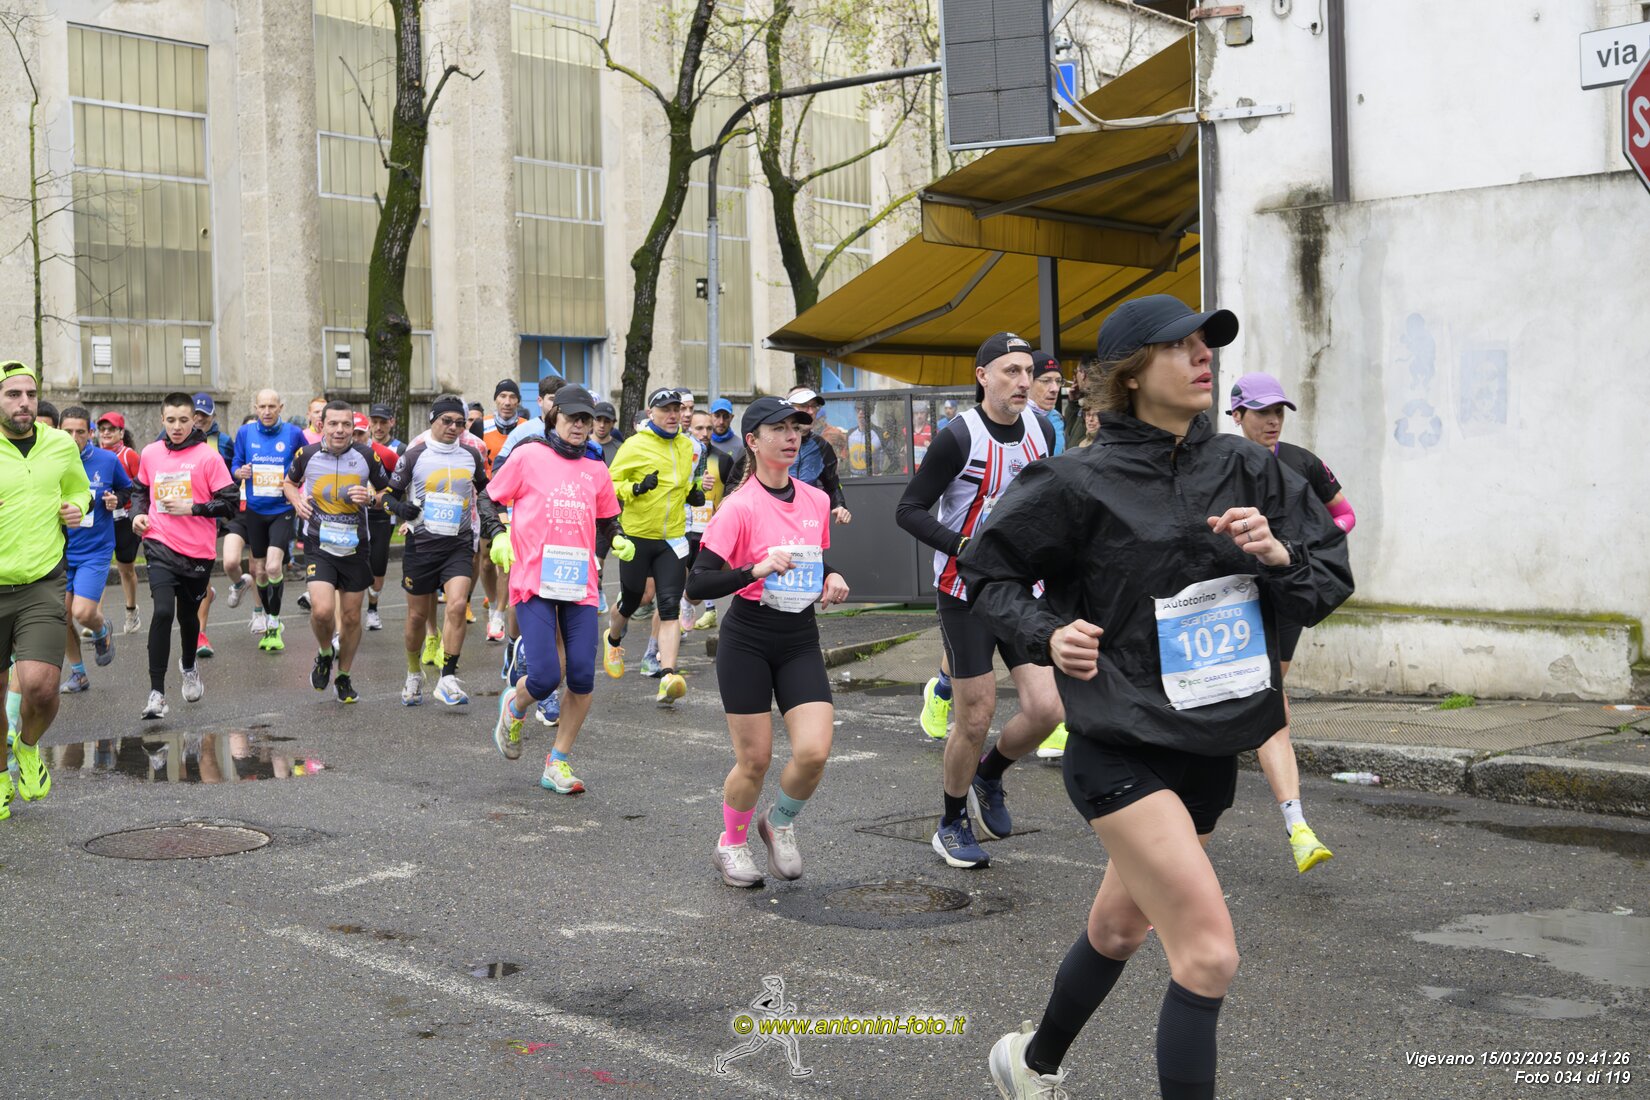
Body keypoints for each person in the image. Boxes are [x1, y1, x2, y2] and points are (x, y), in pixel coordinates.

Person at [960, 295, 1352, 1100]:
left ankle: (1029, 1064)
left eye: (1208, 343)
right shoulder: (1075, 479)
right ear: (1132, 373)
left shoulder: (1251, 469)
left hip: (1209, 746)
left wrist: (1277, 557)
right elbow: (987, 574)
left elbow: (1327, 580)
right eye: (1181, 346)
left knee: (1118, 927)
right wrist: (1046, 634)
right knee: (1208, 955)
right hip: (1118, 746)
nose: (1204, 356)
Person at [895, 332, 1062, 870]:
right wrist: (964, 546)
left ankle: (989, 775)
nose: (1023, 381)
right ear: (982, 376)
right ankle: (950, 823)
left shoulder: (1042, 430)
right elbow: (909, 510)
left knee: (1047, 709)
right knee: (975, 715)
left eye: (1028, 371)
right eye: (1011, 371)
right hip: (964, 591)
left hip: (1023, 588)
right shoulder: (957, 437)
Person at [686, 397, 851, 887]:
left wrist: (833, 574)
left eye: (795, 428)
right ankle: (731, 843)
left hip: (799, 637)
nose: (790, 436)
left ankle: (778, 823)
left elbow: (814, 557)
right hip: (748, 640)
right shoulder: (738, 507)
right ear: (753, 442)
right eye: (777, 429)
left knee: (814, 752)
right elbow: (697, 584)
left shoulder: (815, 499)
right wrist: (752, 570)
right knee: (755, 759)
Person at [1229, 371, 1356, 873]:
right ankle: (1295, 823)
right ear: (1237, 414)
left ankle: (1296, 823)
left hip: (1285, 595)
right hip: (1232, 600)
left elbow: (1344, 516)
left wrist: (1301, 545)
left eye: (1279, 411)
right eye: (1262, 412)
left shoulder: (1303, 463)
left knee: (1268, 698)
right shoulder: (1219, 464)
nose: (1273, 420)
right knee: (1260, 701)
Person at [479, 385, 631, 786]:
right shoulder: (529, 455)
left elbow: (606, 518)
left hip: (579, 584)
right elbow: (488, 498)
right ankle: (515, 706)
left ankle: (557, 761)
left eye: (586, 419)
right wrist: (497, 534)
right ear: (554, 417)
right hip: (534, 581)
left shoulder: (595, 468)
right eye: (572, 417)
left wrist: (617, 538)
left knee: (581, 676)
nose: (579, 425)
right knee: (545, 676)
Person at [0, 361, 92, 818]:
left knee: (41, 688)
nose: (24, 403)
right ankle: (1, 775)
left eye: (30, 394)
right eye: (13, 394)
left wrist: (76, 506)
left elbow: (80, 491)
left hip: (41, 580)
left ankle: (28, 745)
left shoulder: (58, 444)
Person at [130, 391, 237, 719]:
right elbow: (140, 490)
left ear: (195, 421)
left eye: (184, 420)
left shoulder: (208, 457)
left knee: (188, 618)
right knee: (163, 612)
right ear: (162, 420)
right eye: (171, 420)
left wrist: (193, 508)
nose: (177, 427)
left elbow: (230, 504)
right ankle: (157, 694)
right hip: (159, 543)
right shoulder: (151, 453)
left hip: (197, 553)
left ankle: (188, 666)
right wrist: (138, 514)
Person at [383, 395, 488, 707]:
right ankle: (413, 672)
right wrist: (402, 509)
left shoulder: (471, 455)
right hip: (422, 546)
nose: (454, 427)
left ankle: (448, 677)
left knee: (456, 606)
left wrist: (497, 519)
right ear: (433, 420)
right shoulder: (414, 455)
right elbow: (388, 496)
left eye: (460, 423)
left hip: (459, 544)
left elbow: (486, 491)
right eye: (447, 421)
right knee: (417, 617)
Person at [603, 387, 705, 707]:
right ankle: (613, 638)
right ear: (651, 413)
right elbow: (610, 486)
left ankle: (667, 675)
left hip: (672, 538)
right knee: (632, 600)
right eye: (666, 410)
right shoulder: (634, 445)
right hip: (637, 535)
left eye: (677, 409)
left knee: (670, 604)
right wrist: (635, 488)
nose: (674, 415)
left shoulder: (687, 445)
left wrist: (693, 493)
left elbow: (685, 483)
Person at [284, 400, 390, 704]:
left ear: (353, 428)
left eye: (346, 424)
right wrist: (296, 501)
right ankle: (324, 652)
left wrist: (370, 497)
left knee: (352, 618)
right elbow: (289, 483)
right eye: (333, 424)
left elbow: (387, 493)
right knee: (321, 610)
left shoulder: (367, 456)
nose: (340, 430)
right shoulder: (307, 454)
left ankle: (343, 675)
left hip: (355, 545)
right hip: (319, 543)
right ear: (322, 426)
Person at [57, 407, 129, 694]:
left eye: (80, 432)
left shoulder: (107, 460)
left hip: (94, 550)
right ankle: (78, 674)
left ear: (90, 433)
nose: (74, 437)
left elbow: (127, 489)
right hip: (60, 551)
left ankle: (101, 629)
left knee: (83, 612)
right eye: (67, 431)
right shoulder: (51, 461)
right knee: (60, 618)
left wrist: (115, 500)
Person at [228, 389, 306, 652]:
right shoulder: (245, 433)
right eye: (262, 406)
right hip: (255, 510)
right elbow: (235, 464)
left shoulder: (293, 434)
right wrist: (239, 472)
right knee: (259, 571)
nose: (267, 411)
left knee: (273, 567)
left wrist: (298, 483)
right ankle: (268, 614)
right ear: (255, 407)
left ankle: (273, 621)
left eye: (272, 406)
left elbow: (307, 461)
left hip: (282, 510)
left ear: (281, 407)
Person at [681, 407, 735, 632]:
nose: (705, 433)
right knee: (679, 580)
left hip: (709, 532)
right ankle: (680, 616)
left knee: (699, 583)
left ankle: (703, 608)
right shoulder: (680, 456)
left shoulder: (722, 459)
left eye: (709, 428)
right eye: (699, 428)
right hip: (682, 528)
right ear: (689, 428)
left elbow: (733, 490)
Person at [479, 379, 525, 643]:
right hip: (489, 501)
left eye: (512, 397)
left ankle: (498, 614)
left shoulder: (526, 427)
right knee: (486, 561)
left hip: (515, 502)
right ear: (496, 399)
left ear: (518, 401)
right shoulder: (480, 426)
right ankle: (492, 602)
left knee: (506, 561)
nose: (507, 402)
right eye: (503, 396)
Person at [353, 412, 402, 632]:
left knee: (378, 567)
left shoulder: (385, 454)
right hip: (353, 516)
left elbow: (400, 483)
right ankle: (351, 612)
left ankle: (373, 609)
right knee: (352, 564)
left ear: (368, 432)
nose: (356, 438)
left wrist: (391, 502)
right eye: (353, 434)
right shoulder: (341, 454)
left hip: (379, 516)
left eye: (360, 434)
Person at [97, 412, 143, 634]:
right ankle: (96, 618)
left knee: (126, 569)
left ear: (121, 433)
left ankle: (131, 610)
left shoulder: (129, 456)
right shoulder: (93, 454)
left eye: (111, 429)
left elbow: (140, 487)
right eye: (102, 429)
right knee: (98, 567)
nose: (106, 433)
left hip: (124, 519)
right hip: (101, 519)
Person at [782, 387, 850, 524]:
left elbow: (832, 485)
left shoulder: (822, 446)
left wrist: (839, 505)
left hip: (807, 518)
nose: (811, 411)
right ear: (789, 409)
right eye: (803, 406)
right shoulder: (771, 440)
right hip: (775, 515)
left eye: (814, 406)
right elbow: (741, 479)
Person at [1029, 350, 1067, 456]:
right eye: (1046, 381)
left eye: (1058, 381)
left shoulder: (1058, 418)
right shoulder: (1012, 418)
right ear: (1028, 382)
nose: (1055, 389)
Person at [845, 403, 890, 476]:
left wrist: (883, 475)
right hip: (853, 479)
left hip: (873, 480)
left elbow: (895, 460)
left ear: (871, 411)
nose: (861, 412)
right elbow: (846, 458)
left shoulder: (881, 434)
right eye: (858, 409)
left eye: (864, 409)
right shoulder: (850, 433)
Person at [1063, 356, 1097, 449]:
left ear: (1083, 375)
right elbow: (1070, 431)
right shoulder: (1087, 400)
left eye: (1076, 372)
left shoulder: (1096, 405)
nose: (1074, 377)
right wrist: (1073, 402)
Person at [707, 397, 743, 463]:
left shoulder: (740, 446)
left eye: (725, 417)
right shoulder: (703, 442)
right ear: (710, 416)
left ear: (731, 418)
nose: (721, 421)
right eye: (717, 416)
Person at [592, 401, 622, 465]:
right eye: (598, 420)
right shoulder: (581, 445)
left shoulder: (620, 449)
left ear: (613, 423)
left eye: (607, 421)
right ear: (592, 420)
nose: (602, 425)